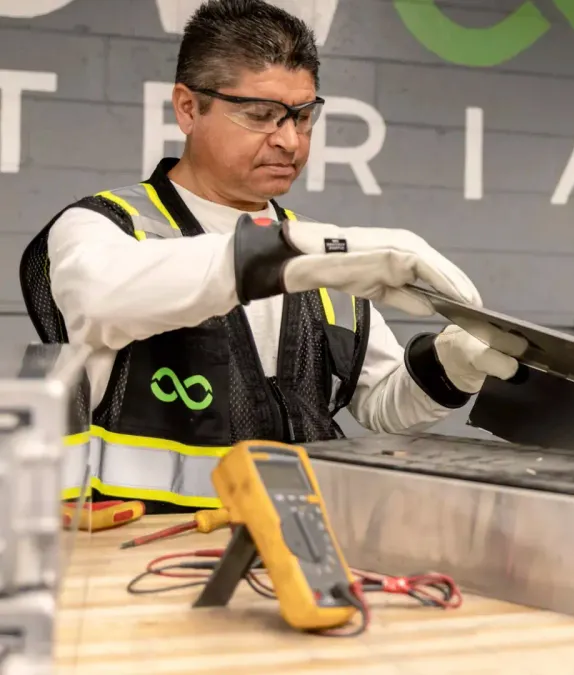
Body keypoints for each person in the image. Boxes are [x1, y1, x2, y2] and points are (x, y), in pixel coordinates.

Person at [19, 0, 519, 512]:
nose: (289, 141)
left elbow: (380, 405)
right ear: (188, 107)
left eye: (303, 117)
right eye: (260, 115)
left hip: (298, 544)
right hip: (138, 554)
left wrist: (453, 366)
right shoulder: (103, 226)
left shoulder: (318, 254)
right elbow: (104, 299)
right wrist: (302, 253)